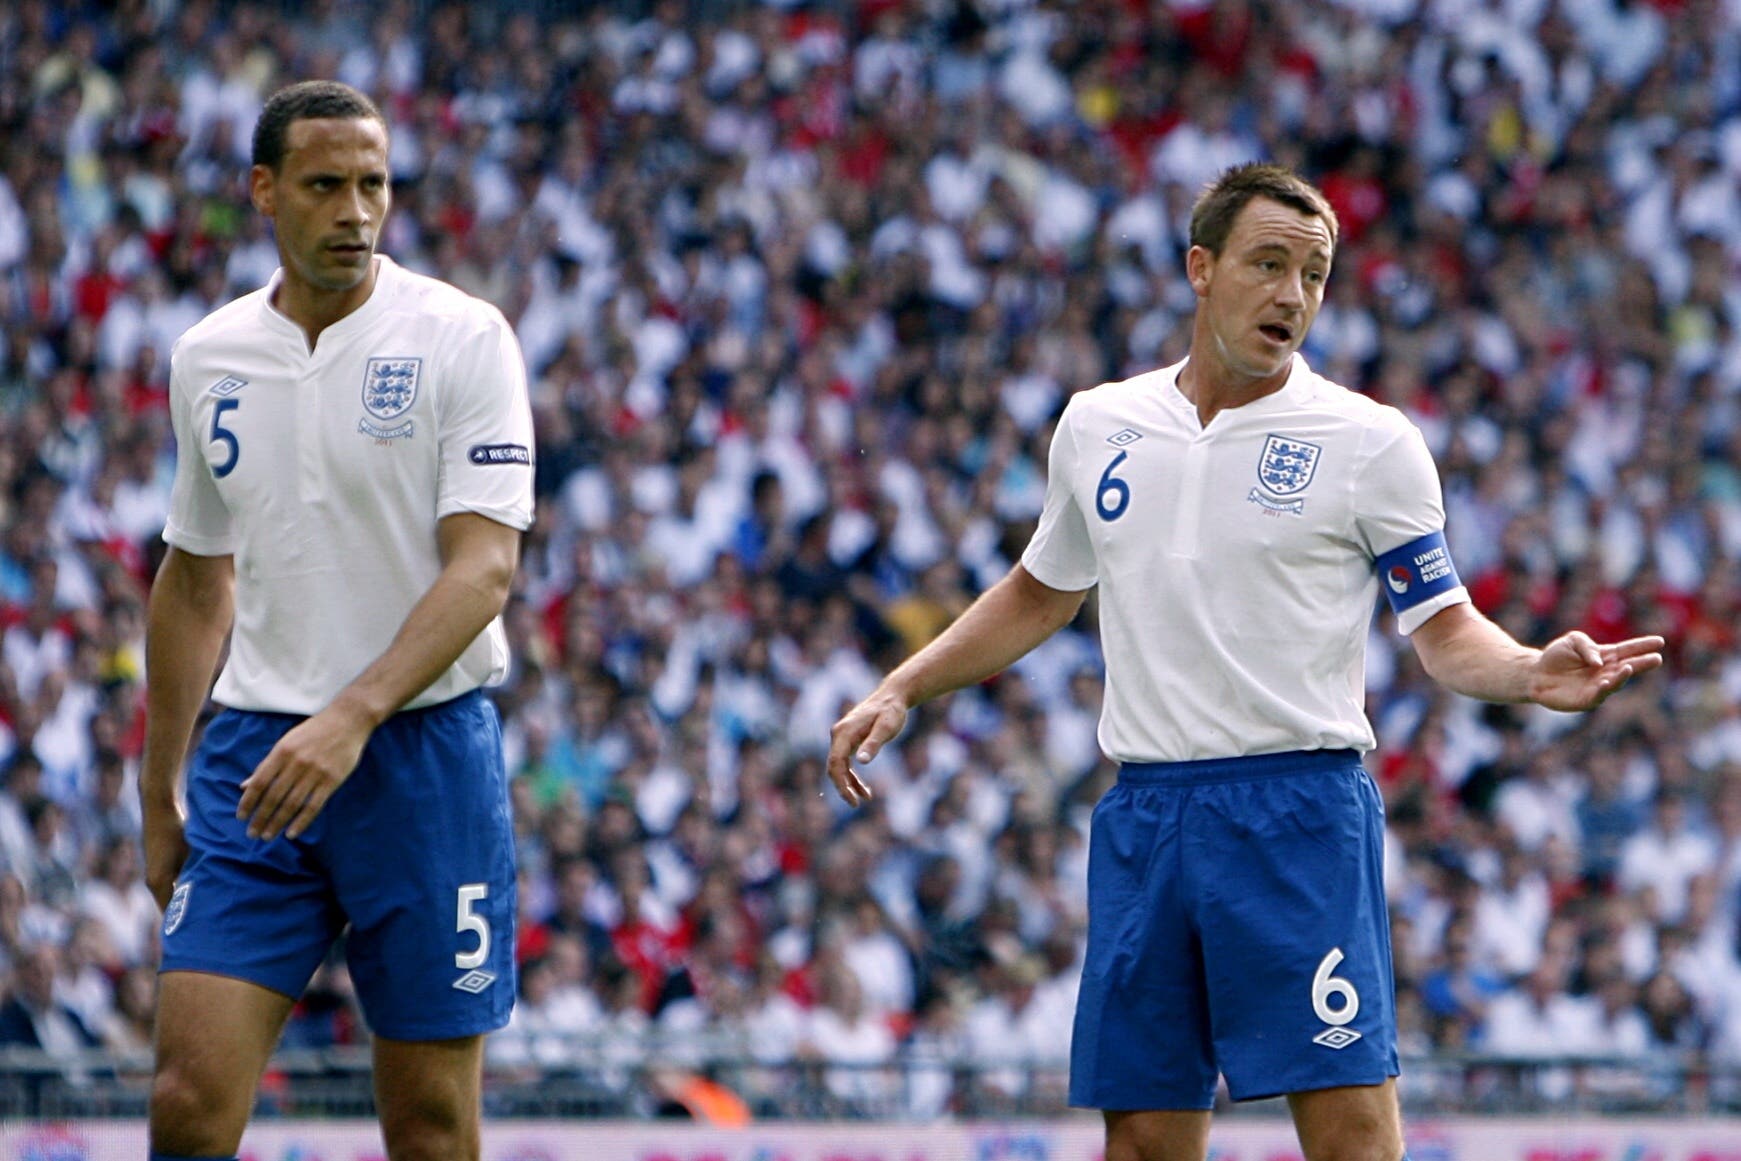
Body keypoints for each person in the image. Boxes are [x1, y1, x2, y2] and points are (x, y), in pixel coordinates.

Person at [828, 164, 1663, 1161]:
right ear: (1200, 267)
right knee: (1139, 1139)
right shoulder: (1101, 425)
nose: (1292, 295)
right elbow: (1041, 589)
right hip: (1145, 816)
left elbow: (1442, 629)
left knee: (1350, 1132)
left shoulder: (1368, 444)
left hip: (1296, 814)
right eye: (1268, 265)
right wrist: (903, 684)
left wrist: (1527, 670)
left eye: (1313, 274)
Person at [141, 81, 533, 1161]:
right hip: (257, 760)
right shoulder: (210, 357)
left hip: (419, 758)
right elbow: (193, 577)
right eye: (325, 186)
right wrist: (156, 788)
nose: (355, 210)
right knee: (184, 1103)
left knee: (430, 1124)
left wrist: (354, 714)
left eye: (373, 184)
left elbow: (484, 570)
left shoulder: (463, 337)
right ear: (265, 193)